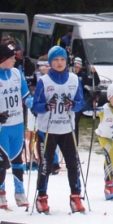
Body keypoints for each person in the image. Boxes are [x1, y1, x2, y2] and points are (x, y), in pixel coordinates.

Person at [32, 46, 85, 214]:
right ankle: (41, 197)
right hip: (47, 129)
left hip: (67, 128)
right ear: (50, 63)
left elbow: (81, 103)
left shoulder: (74, 80)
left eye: (62, 59)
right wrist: (47, 106)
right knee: (46, 164)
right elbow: (35, 106)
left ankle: (76, 196)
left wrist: (73, 105)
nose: (59, 63)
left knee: (72, 163)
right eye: (55, 60)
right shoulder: (44, 81)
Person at [0, 43, 33, 210]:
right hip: (1, 125)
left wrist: (34, 105)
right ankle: (0, 192)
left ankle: (19, 193)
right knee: (2, 159)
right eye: (12, 57)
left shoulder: (17, 74)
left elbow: (25, 95)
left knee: (18, 159)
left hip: (17, 123)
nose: (15, 60)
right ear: (2, 59)